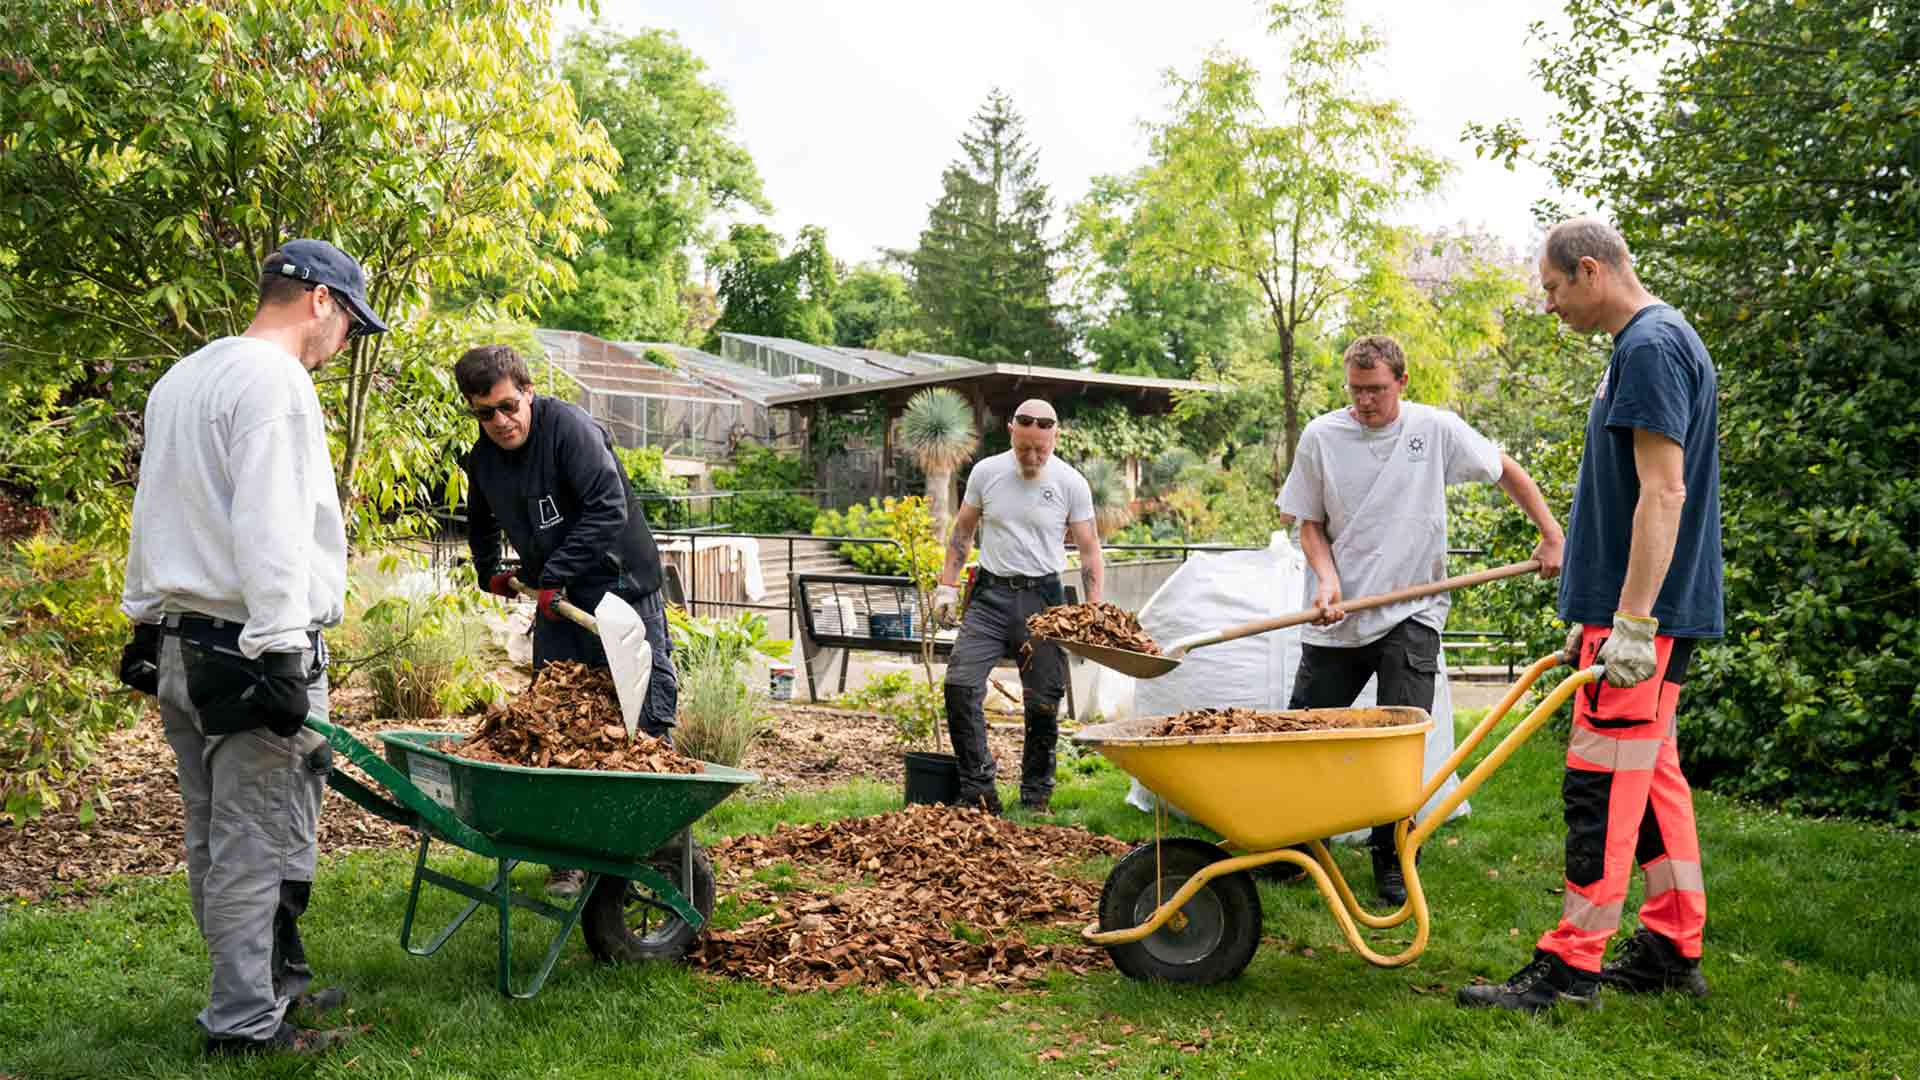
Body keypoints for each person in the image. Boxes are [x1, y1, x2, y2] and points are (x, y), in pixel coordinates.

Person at [119, 239, 387, 1056]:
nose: (346, 342)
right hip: (248, 648)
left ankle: (270, 987)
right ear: (319, 302)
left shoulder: (185, 376)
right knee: (255, 837)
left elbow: (153, 508)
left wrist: (140, 619)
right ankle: (243, 1025)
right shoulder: (276, 382)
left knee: (220, 835)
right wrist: (279, 651)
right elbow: (271, 525)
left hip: (180, 644)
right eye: (350, 322)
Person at [1457, 217, 1721, 1013]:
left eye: (1550, 287)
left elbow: (1665, 491)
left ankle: (1571, 967)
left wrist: (1633, 622)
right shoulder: (1651, 344)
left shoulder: (1649, 347)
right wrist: (1603, 610)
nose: (1548, 305)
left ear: (1589, 270)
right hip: (1637, 611)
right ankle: (1674, 944)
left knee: (1602, 786)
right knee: (1652, 779)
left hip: (1649, 617)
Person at [1278, 334, 1564, 905]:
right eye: (1356, 390)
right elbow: (1307, 521)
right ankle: (1297, 845)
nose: (1365, 402)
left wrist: (1551, 534)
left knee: (1399, 739)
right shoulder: (1321, 436)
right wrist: (1327, 580)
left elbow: (1505, 469)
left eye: (1377, 390)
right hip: (1341, 612)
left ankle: (1392, 853)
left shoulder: (1433, 430)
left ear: (1402, 383)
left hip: (1413, 608)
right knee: (1302, 733)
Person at [455, 344, 678, 895]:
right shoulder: (484, 459)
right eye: (486, 413)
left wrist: (554, 573)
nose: (501, 422)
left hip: (619, 590)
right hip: (558, 597)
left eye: (509, 406)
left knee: (641, 720)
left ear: (527, 392)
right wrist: (491, 571)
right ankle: (569, 858)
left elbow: (608, 507)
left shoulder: (569, 430)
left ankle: (652, 852)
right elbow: (479, 520)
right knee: (557, 719)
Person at [934, 399, 1104, 815]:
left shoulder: (1071, 482)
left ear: (1055, 437)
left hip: (1044, 601)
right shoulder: (987, 473)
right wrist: (946, 585)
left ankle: (1036, 796)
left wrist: (1094, 612)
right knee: (960, 686)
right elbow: (962, 532)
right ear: (1012, 431)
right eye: (1025, 447)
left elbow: (1089, 550)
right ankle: (978, 790)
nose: (1032, 457)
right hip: (990, 596)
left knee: (1044, 700)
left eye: (1040, 450)